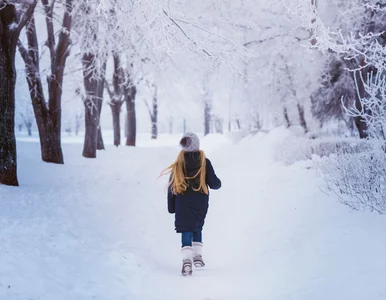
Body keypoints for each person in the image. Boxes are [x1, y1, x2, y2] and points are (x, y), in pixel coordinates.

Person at [161, 132, 221, 276]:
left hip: (182, 204)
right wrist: (218, 183)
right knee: (197, 226)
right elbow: (214, 184)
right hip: (200, 202)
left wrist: (171, 207)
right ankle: (197, 256)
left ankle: (187, 260)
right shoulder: (205, 162)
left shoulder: (178, 164)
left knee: (186, 229)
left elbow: (171, 188)